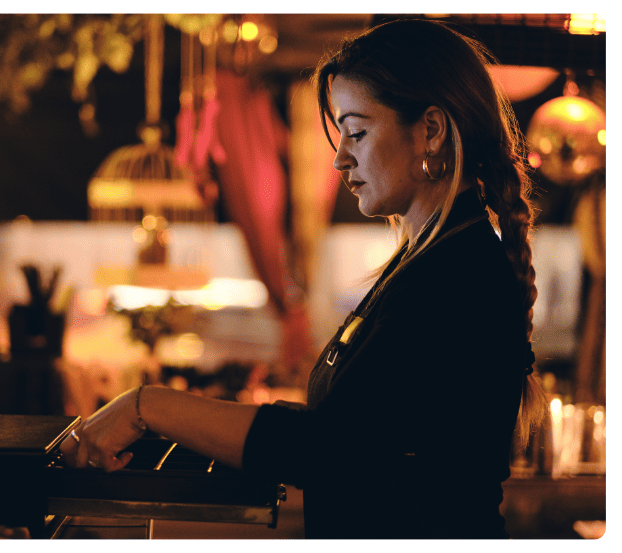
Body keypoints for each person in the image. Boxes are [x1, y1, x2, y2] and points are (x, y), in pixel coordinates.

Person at [59, 18, 547, 539]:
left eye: (357, 132)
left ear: (430, 130)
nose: (341, 158)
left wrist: (148, 405)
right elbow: (354, 432)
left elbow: (327, 448)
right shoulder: (428, 261)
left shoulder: (456, 276)